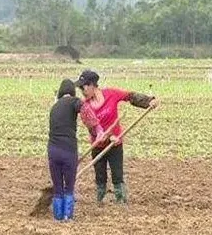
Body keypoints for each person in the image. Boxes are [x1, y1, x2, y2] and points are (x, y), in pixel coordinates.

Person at [75, 69, 159, 204]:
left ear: (92, 85)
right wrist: (107, 137)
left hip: (116, 145)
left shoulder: (111, 94)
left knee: (117, 174)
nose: (82, 91)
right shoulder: (85, 105)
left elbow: (130, 96)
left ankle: (121, 201)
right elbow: (92, 128)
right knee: (100, 176)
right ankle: (99, 201)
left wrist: (149, 101)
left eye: (83, 87)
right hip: (98, 145)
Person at [48, 79, 104, 221]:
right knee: (69, 186)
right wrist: (97, 130)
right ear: (72, 92)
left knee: (58, 186)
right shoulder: (74, 101)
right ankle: (67, 216)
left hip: (53, 150)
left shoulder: (54, 107)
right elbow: (86, 112)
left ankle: (57, 217)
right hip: (68, 150)